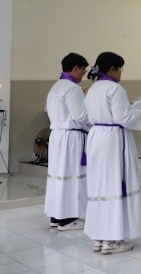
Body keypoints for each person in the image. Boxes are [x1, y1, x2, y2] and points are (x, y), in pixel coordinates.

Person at [84, 52, 141, 255]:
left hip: (97, 137)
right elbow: (123, 117)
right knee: (115, 185)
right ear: (112, 69)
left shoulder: (93, 88)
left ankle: (99, 237)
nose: (121, 72)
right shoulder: (115, 89)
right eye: (120, 68)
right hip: (113, 141)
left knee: (100, 186)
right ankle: (112, 240)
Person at [44, 52, 90, 231]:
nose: (83, 74)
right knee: (71, 176)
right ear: (76, 68)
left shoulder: (56, 86)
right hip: (71, 138)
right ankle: (68, 219)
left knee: (59, 176)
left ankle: (56, 216)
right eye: (83, 70)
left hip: (58, 136)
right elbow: (80, 115)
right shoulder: (72, 88)